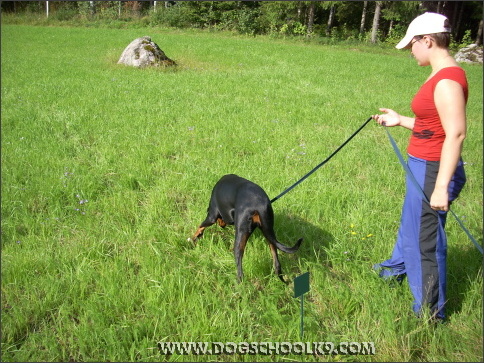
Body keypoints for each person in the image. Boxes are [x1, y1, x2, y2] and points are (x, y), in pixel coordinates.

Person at [372, 12, 468, 321]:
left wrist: (440, 186)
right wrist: (400, 120)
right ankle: (393, 271)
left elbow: (455, 133)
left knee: (426, 240)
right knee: (410, 226)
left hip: (433, 170)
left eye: (412, 45)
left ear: (427, 40)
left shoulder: (448, 80)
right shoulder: (439, 75)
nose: (410, 51)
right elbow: (432, 125)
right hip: (423, 165)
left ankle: (430, 312)